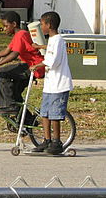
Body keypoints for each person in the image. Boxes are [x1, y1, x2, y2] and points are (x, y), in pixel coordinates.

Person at [0, 11, 44, 115]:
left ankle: (8, 106)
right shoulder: (18, 35)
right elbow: (6, 51)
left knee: (3, 73)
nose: (4, 29)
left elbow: (14, 55)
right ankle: (28, 121)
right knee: (15, 94)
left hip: (34, 67)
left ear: (14, 24)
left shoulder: (21, 35)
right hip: (31, 66)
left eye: (6, 26)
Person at [29, 11, 73, 155]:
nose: (41, 27)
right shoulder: (53, 41)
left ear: (49, 25)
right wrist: (40, 47)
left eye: (42, 24)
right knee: (45, 113)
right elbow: (50, 49)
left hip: (59, 84)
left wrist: (37, 66)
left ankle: (56, 141)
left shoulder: (59, 40)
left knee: (55, 114)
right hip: (50, 84)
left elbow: (52, 61)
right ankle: (46, 140)